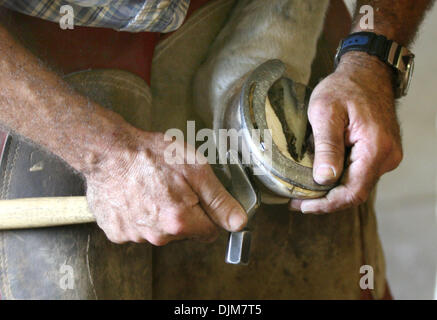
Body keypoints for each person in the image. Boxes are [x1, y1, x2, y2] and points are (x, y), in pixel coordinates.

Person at [0, 0, 433, 299]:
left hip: (283, 19)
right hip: (47, 46)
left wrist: (373, 55)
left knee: (330, 268)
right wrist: (100, 154)